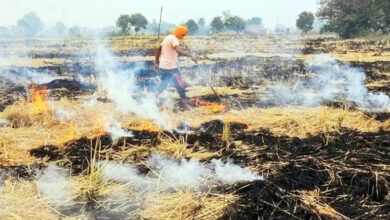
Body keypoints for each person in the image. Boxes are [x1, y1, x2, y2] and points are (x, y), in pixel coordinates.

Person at [154, 25, 197, 110]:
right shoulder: (174, 39)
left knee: (164, 83)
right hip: (171, 68)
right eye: (183, 35)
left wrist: (157, 62)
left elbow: (159, 49)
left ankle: (153, 98)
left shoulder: (167, 37)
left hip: (163, 66)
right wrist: (190, 55)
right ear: (179, 33)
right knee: (180, 86)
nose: (183, 37)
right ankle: (185, 106)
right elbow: (178, 50)